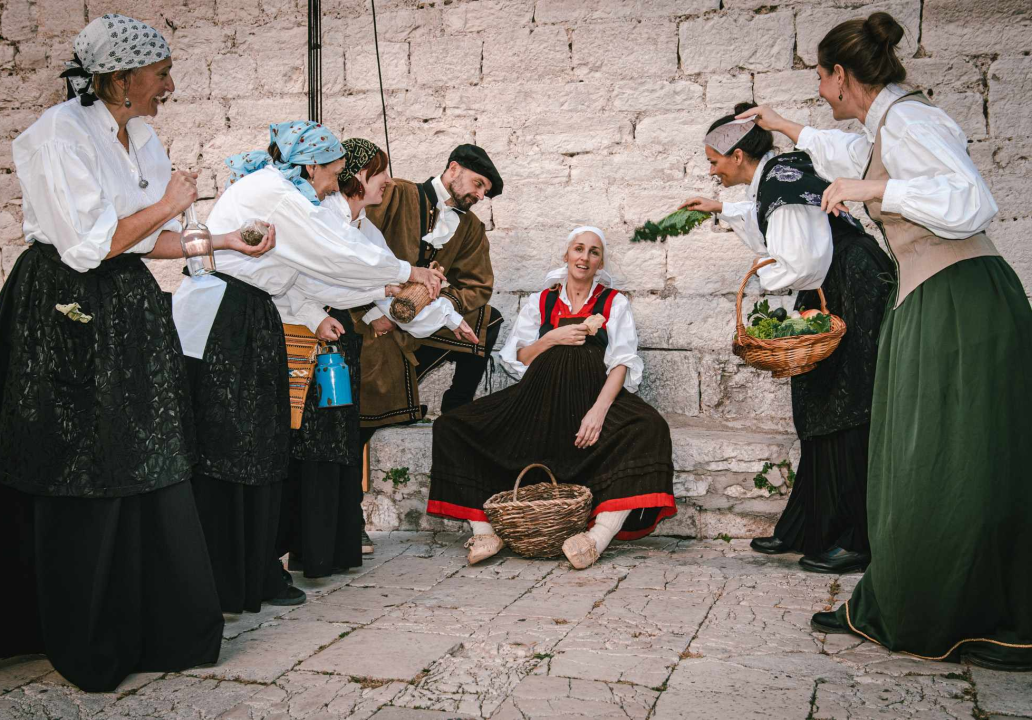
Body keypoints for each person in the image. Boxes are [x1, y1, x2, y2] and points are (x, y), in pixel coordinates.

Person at [0, 15, 274, 691]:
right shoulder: (54, 138)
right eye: (160, 72)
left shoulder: (144, 135)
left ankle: (151, 621)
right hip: (63, 308)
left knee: (144, 452)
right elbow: (86, 245)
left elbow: (139, 242)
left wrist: (221, 244)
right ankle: (75, 626)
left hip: (125, 306)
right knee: (77, 460)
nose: (170, 85)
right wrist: (173, 204)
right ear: (121, 78)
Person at [742, 12, 1032, 670]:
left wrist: (873, 188)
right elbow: (844, 153)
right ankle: (913, 594)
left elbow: (971, 200)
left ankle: (966, 608)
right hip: (931, 300)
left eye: (821, 77)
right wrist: (785, 125)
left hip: (962, 304)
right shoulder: (886, 124)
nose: (819, 90)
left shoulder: (911, 121)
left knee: (956, 462)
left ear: (842, 76)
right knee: (923, 459)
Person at [171, 129, 444, 592]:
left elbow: (314, 279)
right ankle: (227, 572)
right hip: (226, 317)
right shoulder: (280, 196)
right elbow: (335, 256)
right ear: (311, 166)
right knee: (234, 448)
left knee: (255, 447)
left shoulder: (288, 196)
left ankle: (248, 567)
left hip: (246, 315)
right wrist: (405, 273)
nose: (335, 186)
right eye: (335, 175)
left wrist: (386, 287)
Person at [680, 103, 892, 574]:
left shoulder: (779, 176)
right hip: (832, 283)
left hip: (850, 283)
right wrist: (720, 207)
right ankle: (808, 524)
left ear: (737, 156)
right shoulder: (775, 175)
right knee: (817, 401)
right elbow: (767, 217)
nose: (711, 169)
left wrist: (766, 291)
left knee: (847, 403)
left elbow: (798, 262)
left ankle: (855, 538)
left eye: (714, 160)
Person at [428, 227, 677, 570]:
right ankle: (485, 531)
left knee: (649, 428)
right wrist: (553, 338)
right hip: (538, 400)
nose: (584, 257)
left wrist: (598, 412)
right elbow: (520, 357)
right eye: (579, 249)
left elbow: (622, 362)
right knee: (451, 427)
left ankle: (595, 540)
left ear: (599, 262)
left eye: (593, 252)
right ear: (566, 255)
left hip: (591, 397)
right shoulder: (541, 302)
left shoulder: (613, 302)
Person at [275, 138, 467, 578]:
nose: (389, 182)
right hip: (309, 339)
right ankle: (306, 549)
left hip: (341, 339)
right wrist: (393, 287)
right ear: (361, 175)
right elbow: (342, 281)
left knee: (338, 444)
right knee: (311, 447)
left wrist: (446, 316)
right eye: (383, 172)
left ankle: (330, 549)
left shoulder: (366, 227)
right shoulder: (323, 218)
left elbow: (386, 280)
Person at [353, 143, 505, 554]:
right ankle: (350, 518)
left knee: (485, 321)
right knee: (368, 403)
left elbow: (478, 285)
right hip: (369, 315)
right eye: (477, 184)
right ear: (452, 169)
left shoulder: (470, 228)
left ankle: (455, 411)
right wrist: (371, 310)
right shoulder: (396, 194)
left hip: (423, 320)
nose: (478, 195)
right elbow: (349, 251)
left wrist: (443, 303)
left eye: (484, 190)